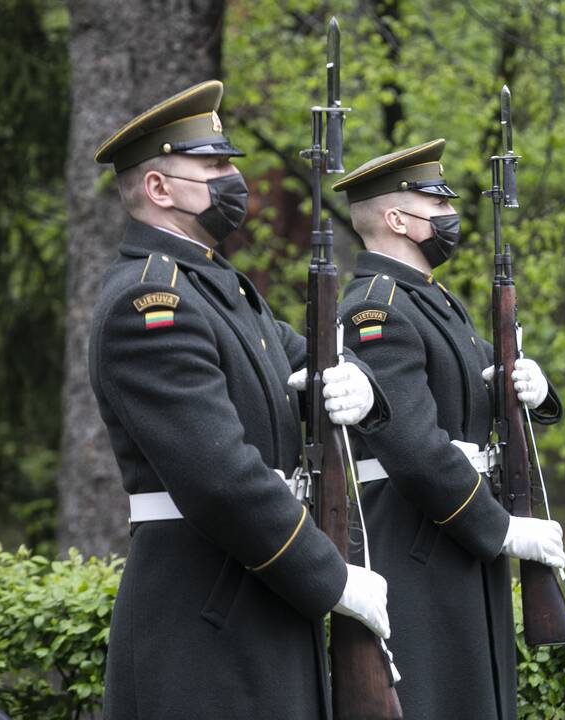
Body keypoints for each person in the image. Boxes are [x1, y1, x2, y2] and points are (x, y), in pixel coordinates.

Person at [89, 80, 392, 720]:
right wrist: (329, 575)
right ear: (159, 189)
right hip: (205, 614)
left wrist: (361, 385)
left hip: (256, 594)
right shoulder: (152, 305)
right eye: (213, 165)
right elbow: (220, 475)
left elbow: (308, 355)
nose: (234, 178)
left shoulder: (220, 287)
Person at [333, 138, 565, 720]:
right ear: (397, 219)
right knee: (438, 697)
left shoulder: (433, 302)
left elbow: (476, 384)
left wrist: (531, 392)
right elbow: (413, 446)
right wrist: (501, 529)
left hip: (456, 533)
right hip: (418, 537)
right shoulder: (377, 309)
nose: (449, 217)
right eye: (436, 205)